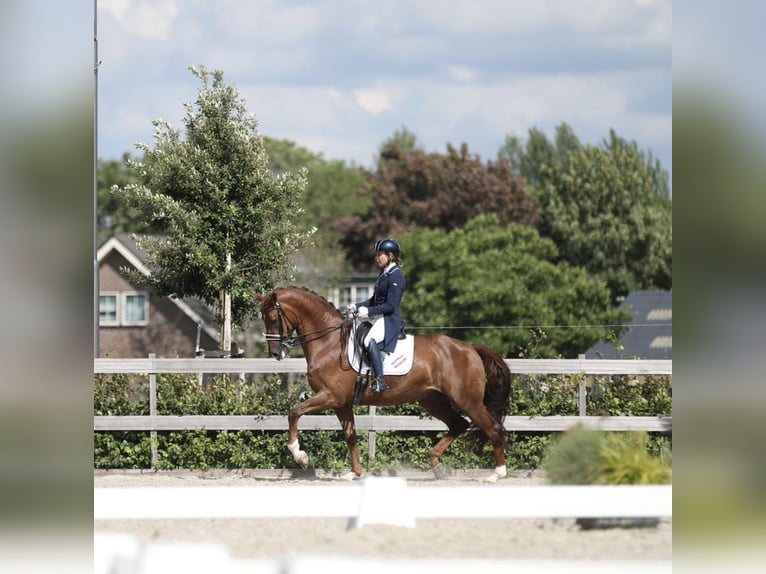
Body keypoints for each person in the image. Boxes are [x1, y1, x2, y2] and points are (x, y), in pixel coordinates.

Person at [347, 238, 406, 394]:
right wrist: (358, 306)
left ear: (391, 256)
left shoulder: (396, 276)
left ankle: (380, 380)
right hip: (379, 318)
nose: (376, 258)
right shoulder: (384, 275)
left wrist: (369, 311)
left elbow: (391, 306)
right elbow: (374, 301)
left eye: (380, 254)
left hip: (389, 319)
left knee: (369, 340)